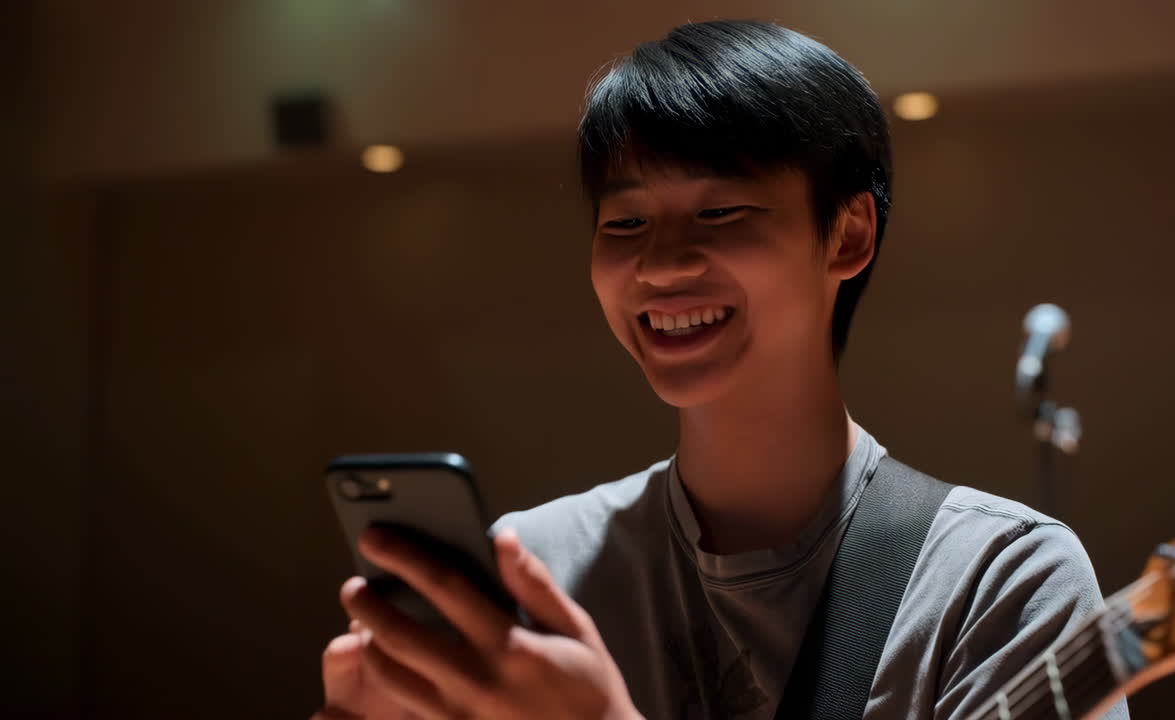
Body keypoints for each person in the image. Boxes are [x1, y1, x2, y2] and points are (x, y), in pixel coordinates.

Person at [316, 20, 1128, 720]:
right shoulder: (533, 573)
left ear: (848, 235)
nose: (660, 265)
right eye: (624, 222)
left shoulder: (998, 578)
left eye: (720, 212)